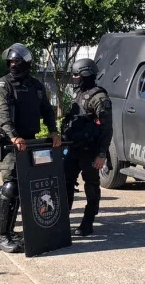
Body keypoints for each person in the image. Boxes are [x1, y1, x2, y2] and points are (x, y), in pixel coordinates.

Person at [0, 43, 61, 253]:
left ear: (26, 64)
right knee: (10, 186)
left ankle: (13, 231)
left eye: (17, 62)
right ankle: (1, 235)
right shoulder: (3, 85)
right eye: (10, 62)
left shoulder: (36, 86)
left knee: (26, 188)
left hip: (30, 142)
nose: (13, 65)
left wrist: (53, 130)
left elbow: (48, 110)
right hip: (11, 143)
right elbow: (2, 113)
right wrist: (14, 136)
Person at [62, 58, 112, 236]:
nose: (74, 78)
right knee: (65, 182)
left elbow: (107, 129)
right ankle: (62, 219)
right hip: (73, 148)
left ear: (86, 74)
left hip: (90, 151)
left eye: (76, 75)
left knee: (91, 185)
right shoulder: (78, 93)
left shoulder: (99, 98)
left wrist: (101, 154)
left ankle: (88, 221)